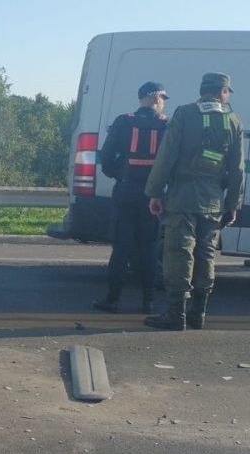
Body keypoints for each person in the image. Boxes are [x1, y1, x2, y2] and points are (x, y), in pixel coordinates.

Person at [144, 72, 245, 330]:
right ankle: (198, 314)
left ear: (202, 90)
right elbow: (237, 170)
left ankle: (176, 315)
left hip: (182, 198)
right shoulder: (232, 120)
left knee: (178, 253)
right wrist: (233, 204)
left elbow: (166, 156)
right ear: (223, 92)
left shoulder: (185, 114)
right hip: (213, 201)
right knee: (206, 254)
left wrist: (155, 192)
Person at [93, 81, 169, 314]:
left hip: (125, 192)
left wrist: (120, 173)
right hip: (153, 196)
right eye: (163, 98)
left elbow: (105, 159)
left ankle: (113, 299)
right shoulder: (167, 125)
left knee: (121, 248)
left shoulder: (123, 121)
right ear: (156, 98)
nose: (163, 103)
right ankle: (149, 302)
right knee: (149, 248)